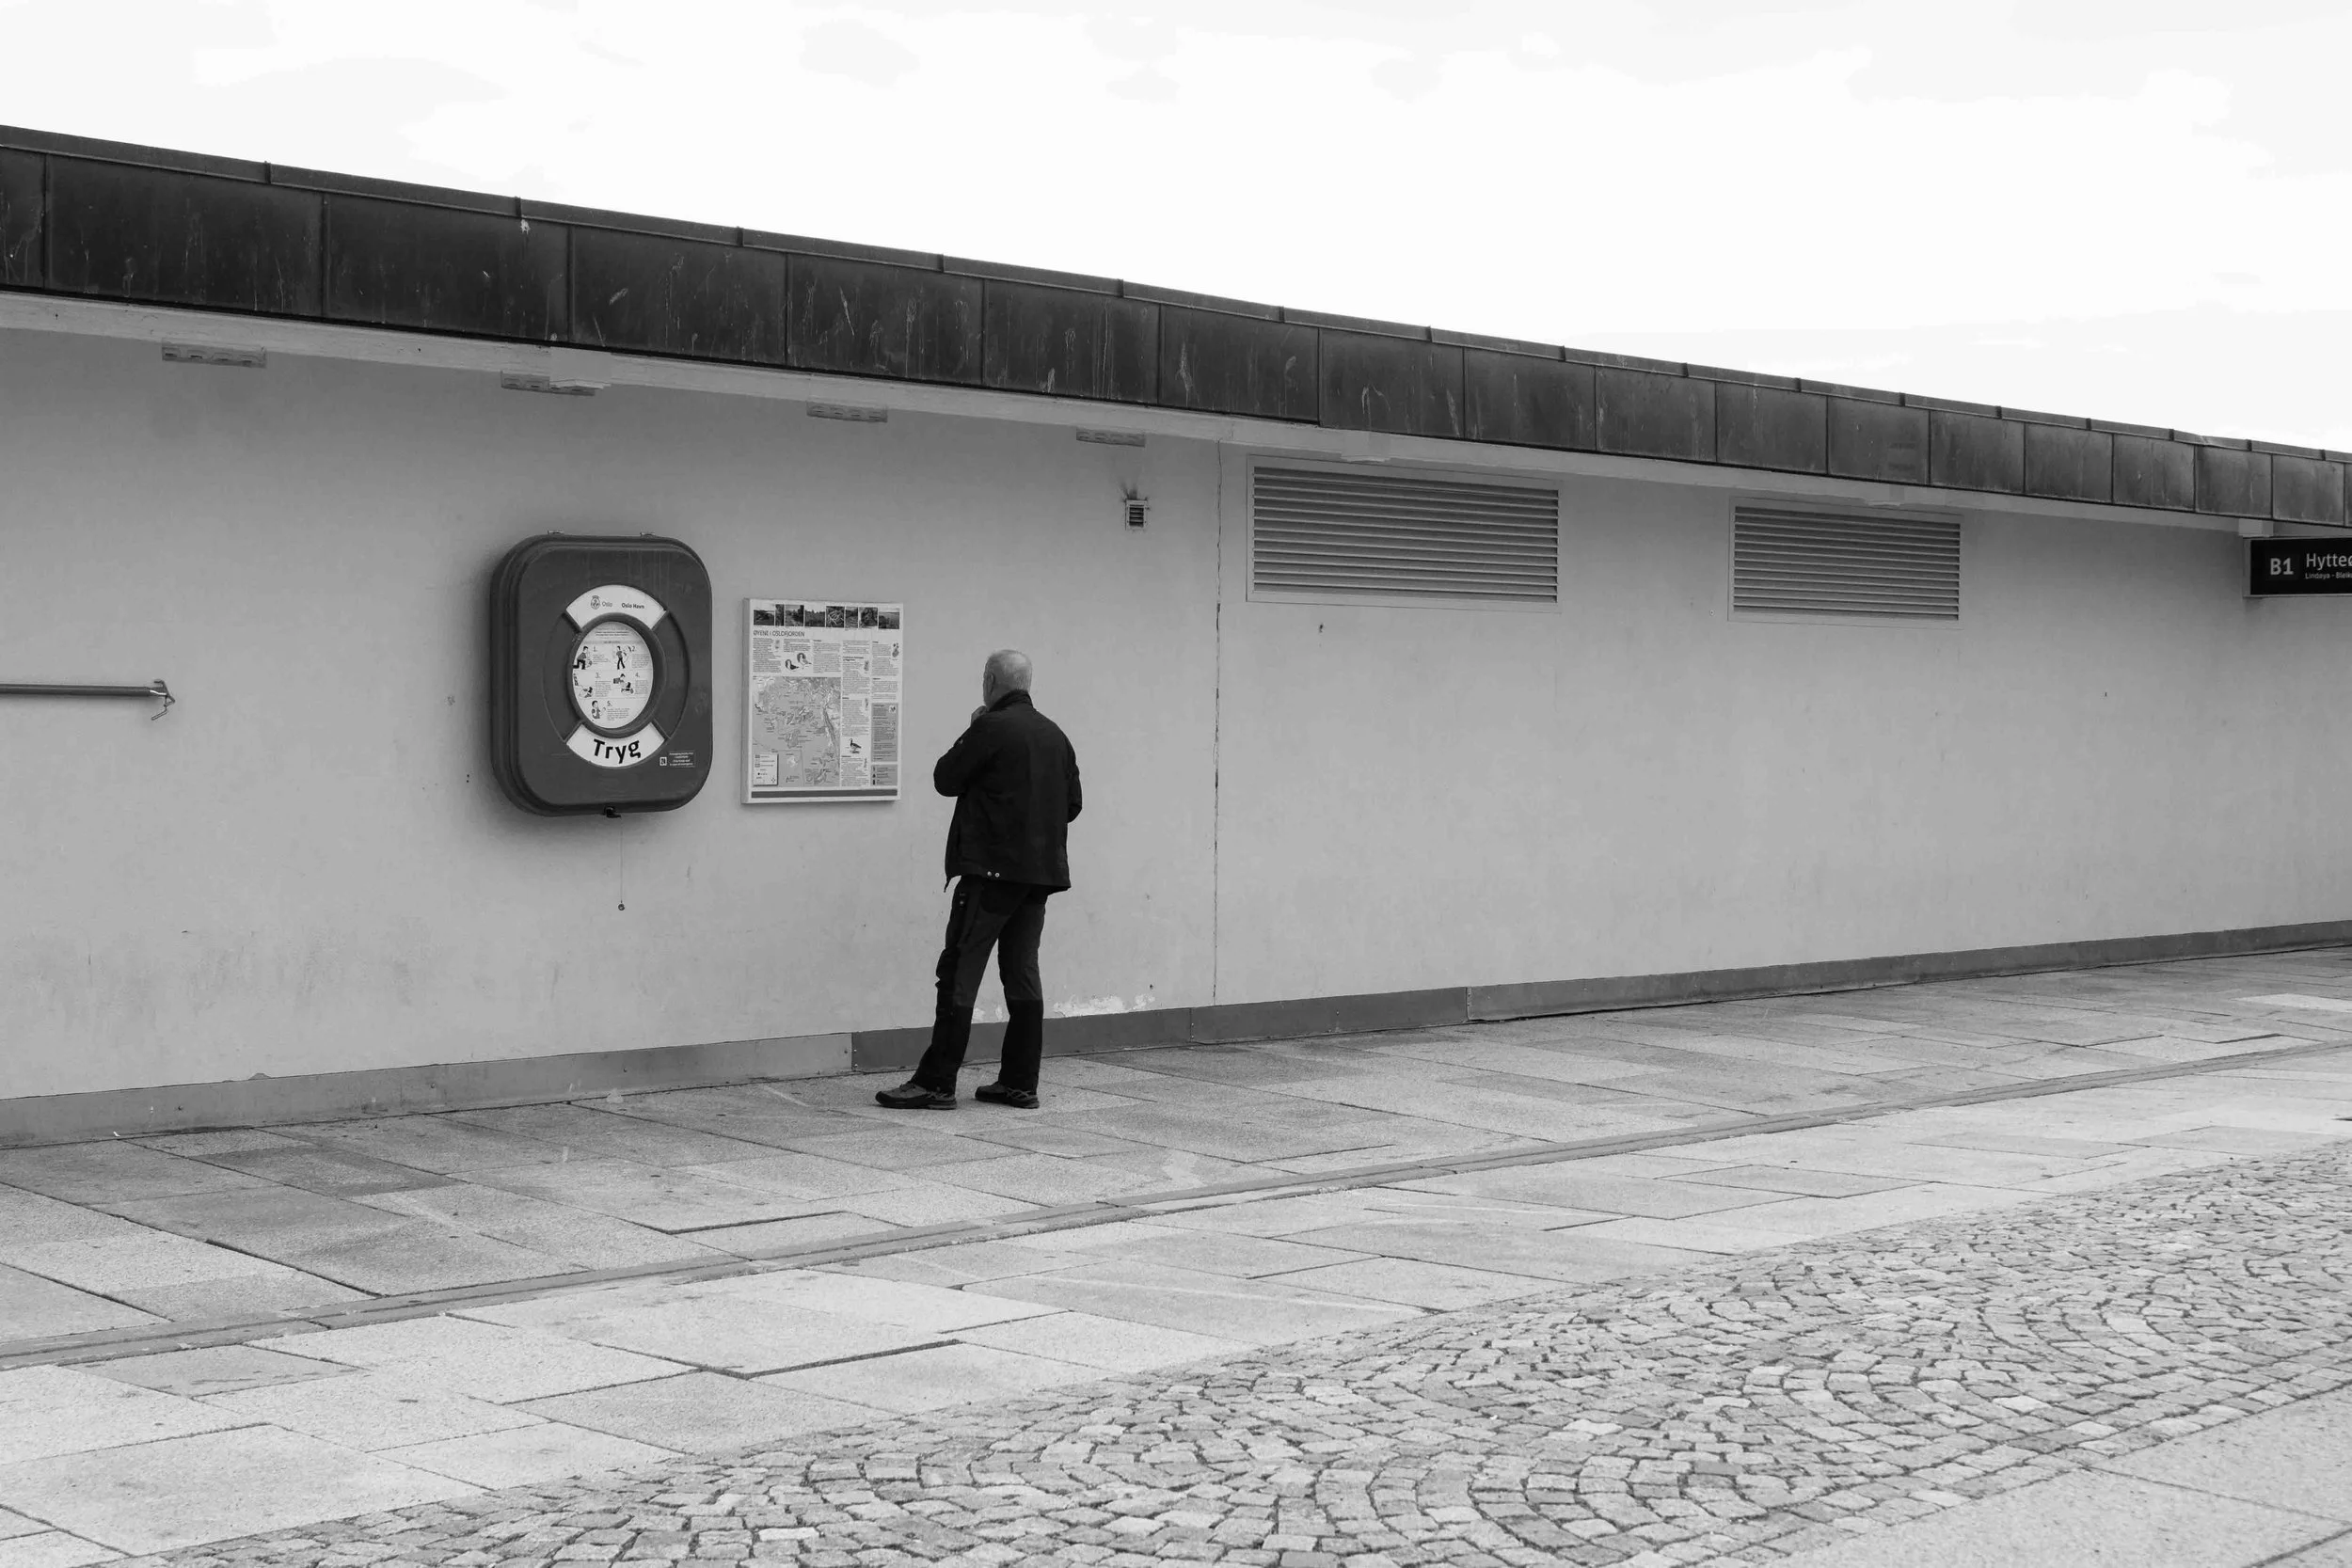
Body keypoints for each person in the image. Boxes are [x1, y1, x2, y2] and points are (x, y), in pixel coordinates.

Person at [876, 649, 1081, 1111]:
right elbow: (1072, 805)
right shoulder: (1057, 736)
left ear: (990, 681)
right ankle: (1019, 1082)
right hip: (1037, 879)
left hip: (989, 875)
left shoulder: (989, 728)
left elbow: (946, 778)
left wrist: (974, 726)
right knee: (1022, 975)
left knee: (959, 974)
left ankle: (936, 1082)